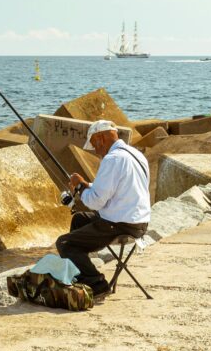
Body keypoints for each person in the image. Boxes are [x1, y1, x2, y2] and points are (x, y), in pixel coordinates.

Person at [56, 119, 150, 300]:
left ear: (100, 138)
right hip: (139, 222)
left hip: (120, 224)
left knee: (65, 243)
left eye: (94, 145)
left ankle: (97, 284)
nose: (95, 150)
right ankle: (78, 273)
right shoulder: (135, 154)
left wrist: (80, 186)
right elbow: (117, 188)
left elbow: (95, 202)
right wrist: (86, 184)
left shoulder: (112, 159)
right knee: (80, 219)